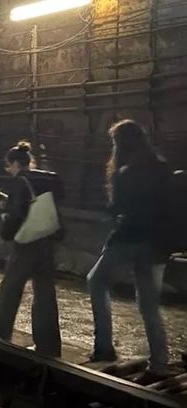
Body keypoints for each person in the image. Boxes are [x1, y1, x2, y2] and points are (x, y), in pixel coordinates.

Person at [87, 119, 173, 383]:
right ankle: (159, 364)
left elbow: (120, 211)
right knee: (149, 306)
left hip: (130, 241)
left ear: (120, 144)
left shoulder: (126, 172)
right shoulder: (163, 169)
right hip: (158, 247)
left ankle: (104, 346)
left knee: (96, 280)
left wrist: (111, 235)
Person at [0, 141, 64, 357]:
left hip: (27, 243)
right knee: (45, 293)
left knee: (10, 288)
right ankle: (49, 346)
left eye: (8, 166)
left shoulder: (21, 181)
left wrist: (6, 231)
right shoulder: (52, 178)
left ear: (15, 164)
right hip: (48, 240)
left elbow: (18, 214)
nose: (8, 170)